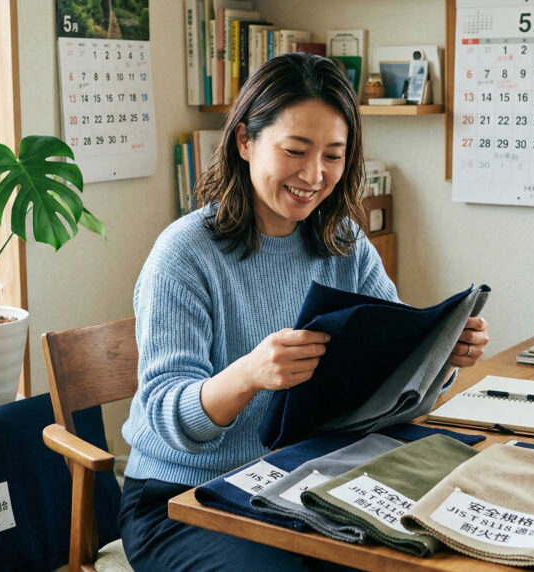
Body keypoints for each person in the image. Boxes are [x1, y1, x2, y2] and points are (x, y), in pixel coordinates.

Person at [119, 52, 489, 571]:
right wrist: (249, 374)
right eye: (296, 150)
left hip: (303, 481)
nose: (314, 175)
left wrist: (443, 352)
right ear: (245, 141)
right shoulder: (183, 255)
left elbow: (395, 371)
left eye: (334, 156)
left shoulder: (343, 243)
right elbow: (164, 418)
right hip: (182, 500)